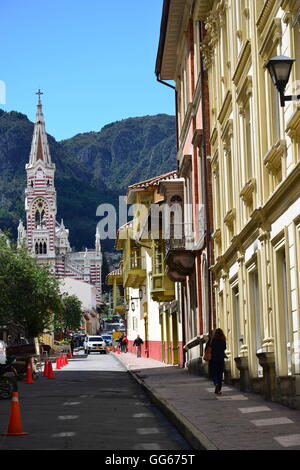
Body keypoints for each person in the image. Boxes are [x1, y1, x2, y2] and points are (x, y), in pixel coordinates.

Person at [210, 328, 227, 395]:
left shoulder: (213, 340)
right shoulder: (223, 340)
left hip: (214, 358)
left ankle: (216, 383)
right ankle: (219, 389)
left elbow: (211, 347)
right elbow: (224, 348)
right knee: (220, 374)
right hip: (221, 358)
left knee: (214, 372)